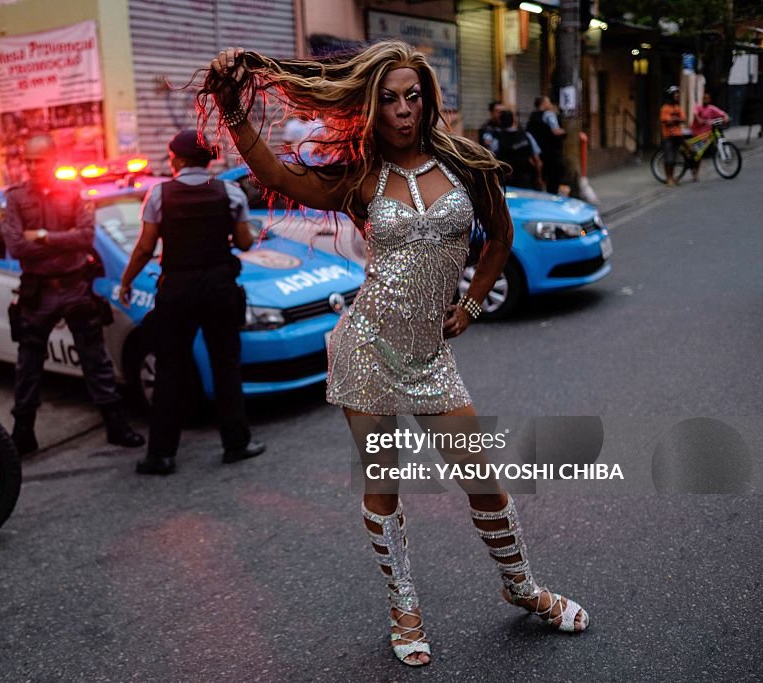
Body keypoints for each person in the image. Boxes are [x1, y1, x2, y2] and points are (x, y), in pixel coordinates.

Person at [200, 42, 589, 667]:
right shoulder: (360, 175)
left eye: (412, 96)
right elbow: (275, 176)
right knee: (384, 485)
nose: (403, 110)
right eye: (388, 99)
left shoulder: (467, 164)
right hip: (366, 352)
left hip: (431, 360)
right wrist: (230, 105)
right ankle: (403, 607)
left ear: (427, 100)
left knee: (483, 481)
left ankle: (523, 588)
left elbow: (499, 240)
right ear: (371, 107)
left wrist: (470, 306)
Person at [119, 129, 266, 475]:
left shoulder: (159, 195)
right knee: (226, 366)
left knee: (170, 368)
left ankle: (162, 455)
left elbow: (144, 247)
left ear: (179, 159)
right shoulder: (229, 193)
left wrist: (127, 281)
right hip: (219, 288)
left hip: (177, 290)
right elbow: (244, 243)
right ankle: (236, 444)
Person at [0, 134, 144, 456]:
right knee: (28, 365)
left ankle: (115, 425)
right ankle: (23, 433)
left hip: (75, 286)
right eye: (28, 161)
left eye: (40, 160)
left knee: (96, 359)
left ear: (53, 159)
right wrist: (59, 240)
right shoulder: (15, 198)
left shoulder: (73, 193)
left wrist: (43, 237)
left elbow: (86, 237)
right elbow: (16, 245)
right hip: (38, 291)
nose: (33, 167)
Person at [493, 109, 544, 190]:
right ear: (514, 120)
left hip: (507, 180)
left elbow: (492, 161)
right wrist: (539, 178)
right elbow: (538, 161)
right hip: (526, 179)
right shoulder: (526, 136)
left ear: (500, 122)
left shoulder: (497, 140)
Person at [526, 96, 567, 194]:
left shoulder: (532, 117)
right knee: (553, 180)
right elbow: (556, 131)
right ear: (543, 103)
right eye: (548, 102)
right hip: (551, 153)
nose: (550, 104)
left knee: (539, 180)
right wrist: (565, 131)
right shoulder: (549, 115)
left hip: (537, 154)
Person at [689, 91, 730, 182]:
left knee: (700, 153)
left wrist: (725, 117)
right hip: (697, 134)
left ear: (710, 99)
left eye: (707, 98)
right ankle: (695, 173)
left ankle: (696, 172)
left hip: (706, 134)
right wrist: (699, 120)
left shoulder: (711, 108)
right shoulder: (698, 107)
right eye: (704, 98)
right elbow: (695, 114)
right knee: (697, 154)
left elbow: (722, 113)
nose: (705, 99)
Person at [660, 85, 688, 186]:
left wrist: (675, 119)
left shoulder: (677, 107)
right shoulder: (665, 108)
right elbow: (667, 121)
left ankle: (673, 177)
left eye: (677, 94)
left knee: (676, 158)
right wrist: (676, 119)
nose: (677, 96)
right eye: (675, 94)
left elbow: (683, 118)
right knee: (669, 158)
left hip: (678, 135)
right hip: (668, 137)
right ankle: (668, 179)